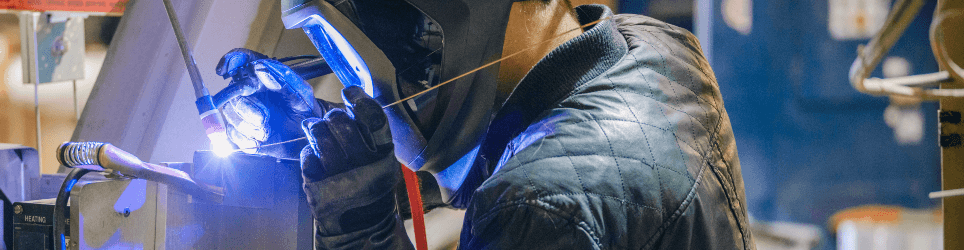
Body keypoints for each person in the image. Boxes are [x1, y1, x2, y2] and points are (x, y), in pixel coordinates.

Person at [213, 0, 751, 249]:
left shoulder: (535, 208)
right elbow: (550, 155)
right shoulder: (656, 47)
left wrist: (362, 231)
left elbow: (542, 189)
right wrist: (341, 156)